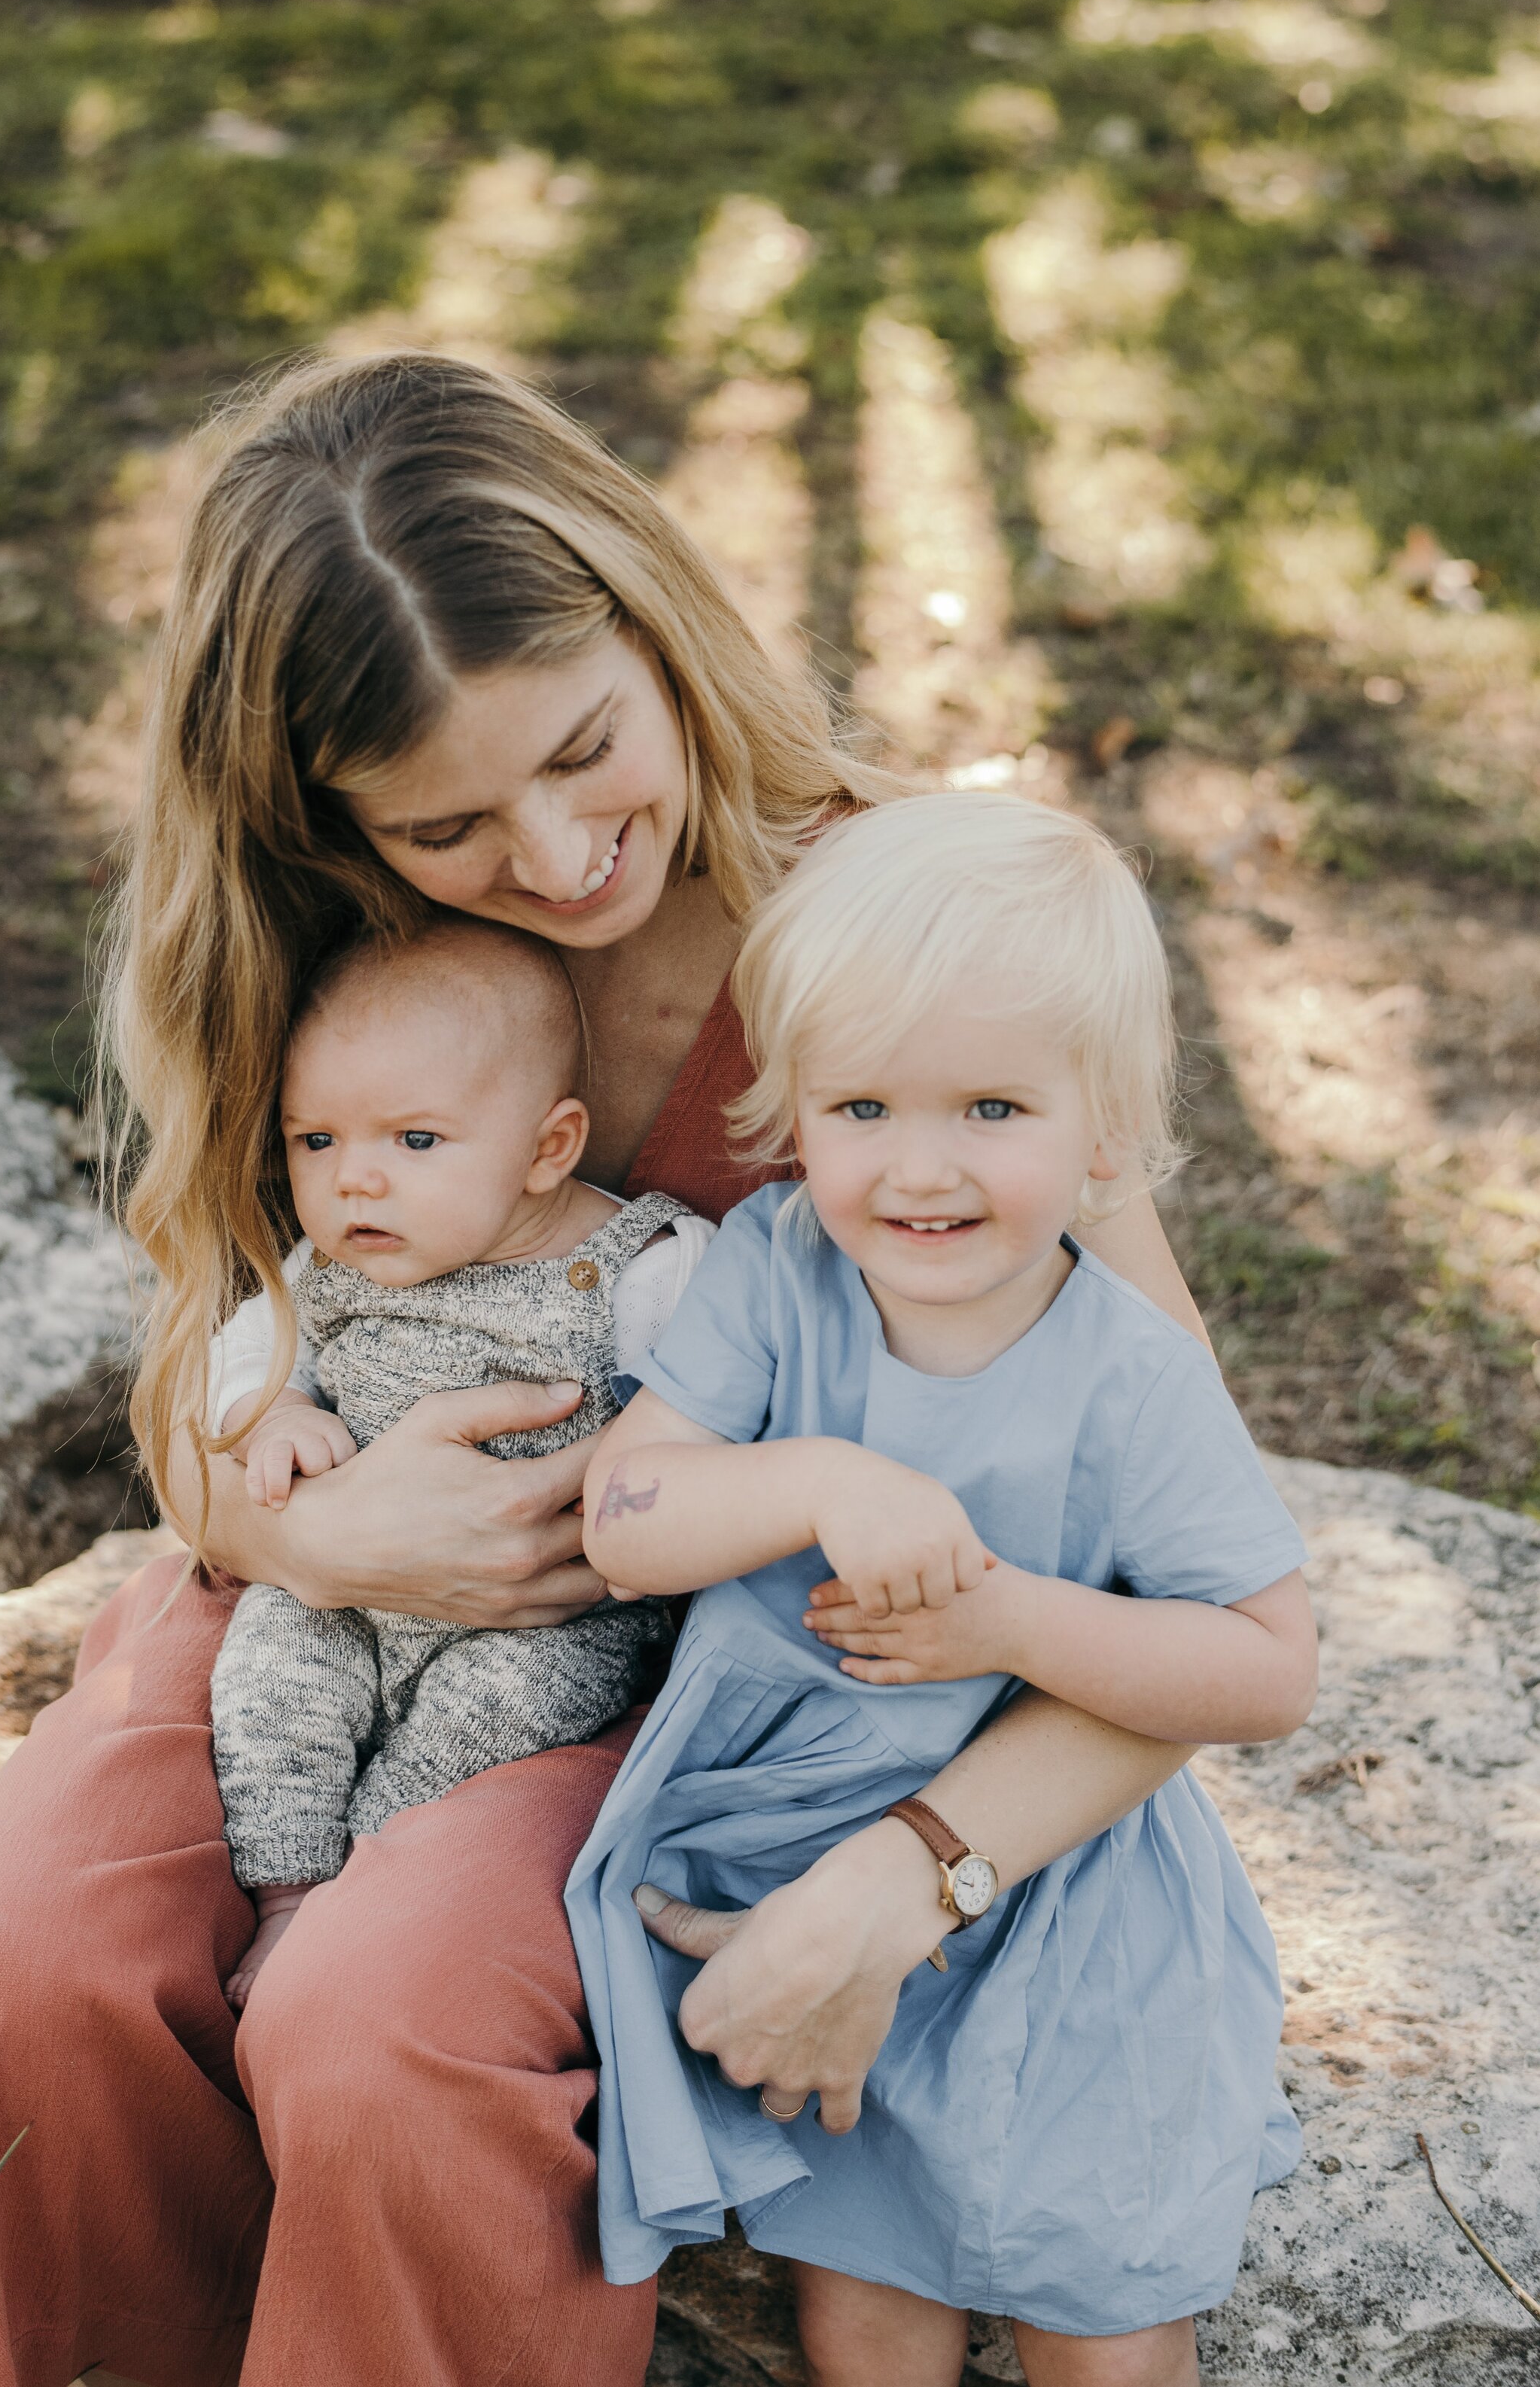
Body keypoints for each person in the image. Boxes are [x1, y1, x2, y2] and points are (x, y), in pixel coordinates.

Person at [0, 351, 1226, 2387]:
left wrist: (917, 1873)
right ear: (327, 819)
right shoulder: (330, 960)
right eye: (450, 820)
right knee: (11, 1968)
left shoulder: (903, 943)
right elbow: (210, 1382)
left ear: (654, 625)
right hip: (306, 1608)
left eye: (587, 751)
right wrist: (310, 1532)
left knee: (381, 2027)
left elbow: (1189, 1558)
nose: (565, 854)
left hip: (697, 1671)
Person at [574, 793, 1318, 2387]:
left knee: (1103, 2329)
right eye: (860, 1108)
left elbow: (1265, 1667)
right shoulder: (781, 1273)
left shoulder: (1127, 1376)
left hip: (1073, 1925)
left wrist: (1010, 1625)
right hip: (802, 1875)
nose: (918, 1170)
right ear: (793, 1111)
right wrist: (817, 1479)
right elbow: (626, 1513)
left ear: (1102, 1133)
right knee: (868, 2325)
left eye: (989, 1107)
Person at [207, 914, 705, 2010]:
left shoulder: (639, 1268)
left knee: (483, 1727)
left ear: (548, 1147)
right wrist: (270, 1408)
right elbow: (247, 1345)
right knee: (268, 1674)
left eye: (414, 1141)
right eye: (317, 1141)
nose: (357, 1184)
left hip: (549, 1616)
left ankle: (370, 1875)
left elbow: (728, 1395)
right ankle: (288, 1889)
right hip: (348, 1588)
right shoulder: (326, 1266)